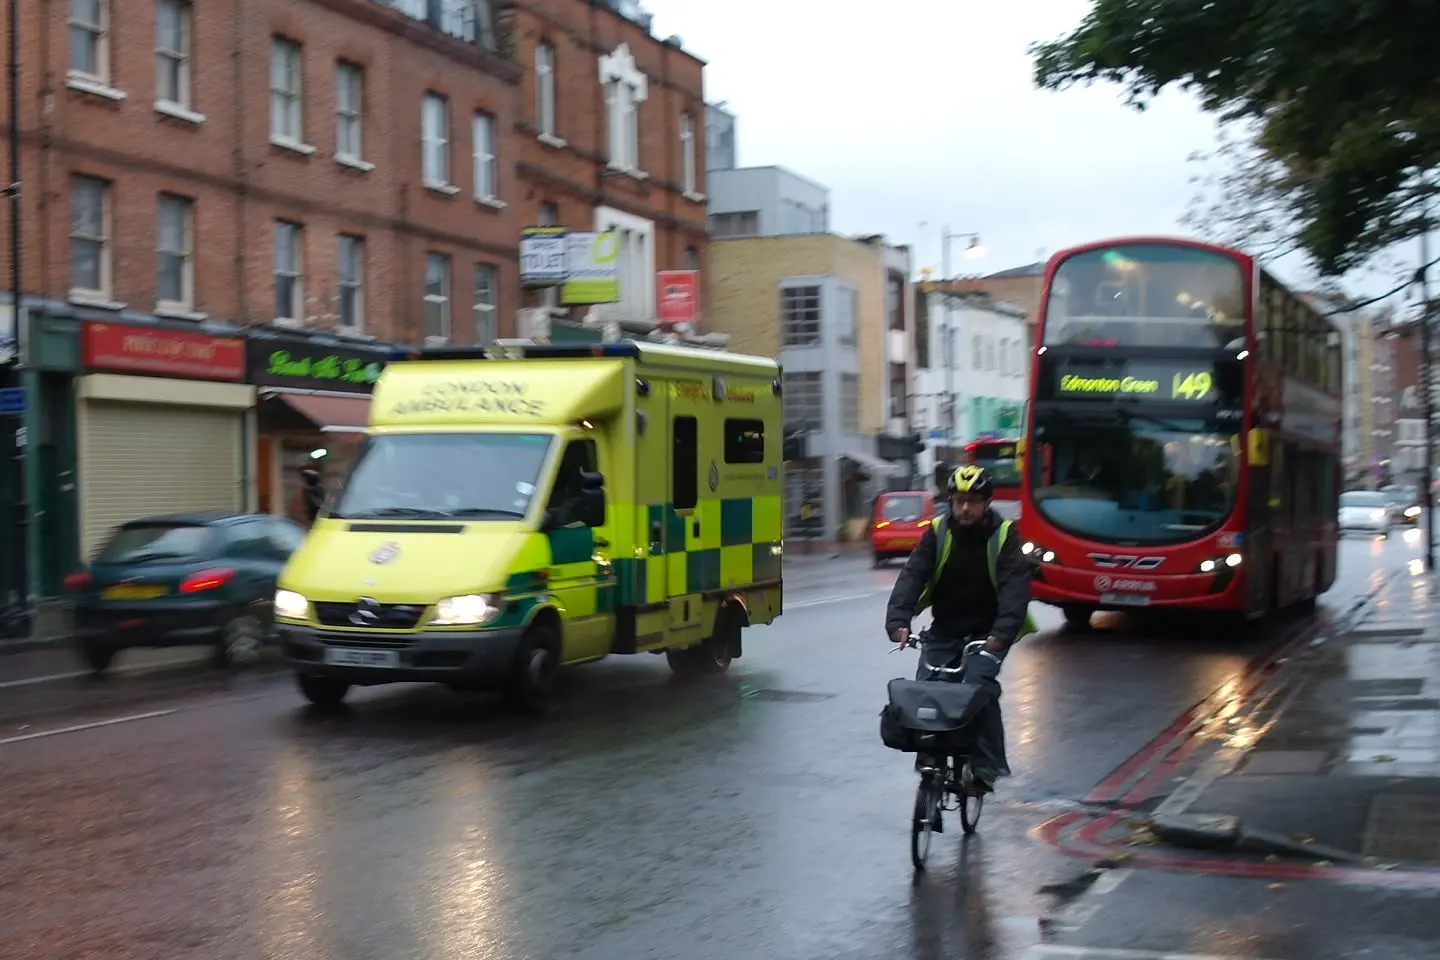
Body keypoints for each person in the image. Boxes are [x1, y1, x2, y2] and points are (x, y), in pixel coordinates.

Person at [884, 464, 1035, 795]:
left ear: (986, 503)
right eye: (959, 501)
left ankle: (985, 765)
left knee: (978, 689)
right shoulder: (938, 530)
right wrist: (899, 621)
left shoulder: (1005, 535)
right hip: (945, 627)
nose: (965, 508)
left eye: (973, 501)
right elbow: (913, 575)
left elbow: (1015, 589)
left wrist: (1000, 636)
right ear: (951, 502)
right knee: (929, 688)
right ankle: (928, 758)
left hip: (988, 632)